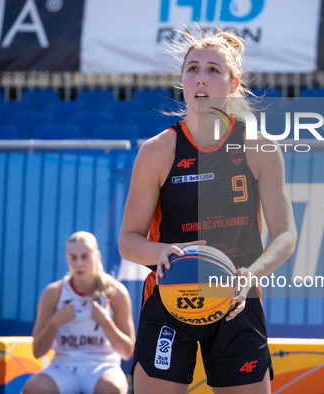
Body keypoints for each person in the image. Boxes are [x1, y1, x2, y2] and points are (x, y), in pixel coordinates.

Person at [119, 28, 297, 394]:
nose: (201, 77)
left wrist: (252, 275)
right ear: (182, 81)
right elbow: (128, 242)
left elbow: (286, 235)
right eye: (192, 68)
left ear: (232, 85)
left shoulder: (258, 148)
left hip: (235, 301)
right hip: (171, 300)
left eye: (214, 70)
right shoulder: (158, 151)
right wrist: (161, 252)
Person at [23, 231, 135, 394]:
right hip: (63, 366)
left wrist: (105, 322)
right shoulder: (54, 293)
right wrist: (55, 323)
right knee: (32, 388)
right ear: (66, 258)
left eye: (85, 256)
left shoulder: (115, 292)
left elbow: (127, 352)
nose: (79, 264)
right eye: (73, 257)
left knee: (112, 389)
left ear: (97, 256)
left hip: (102, 365)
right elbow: (37, 351)